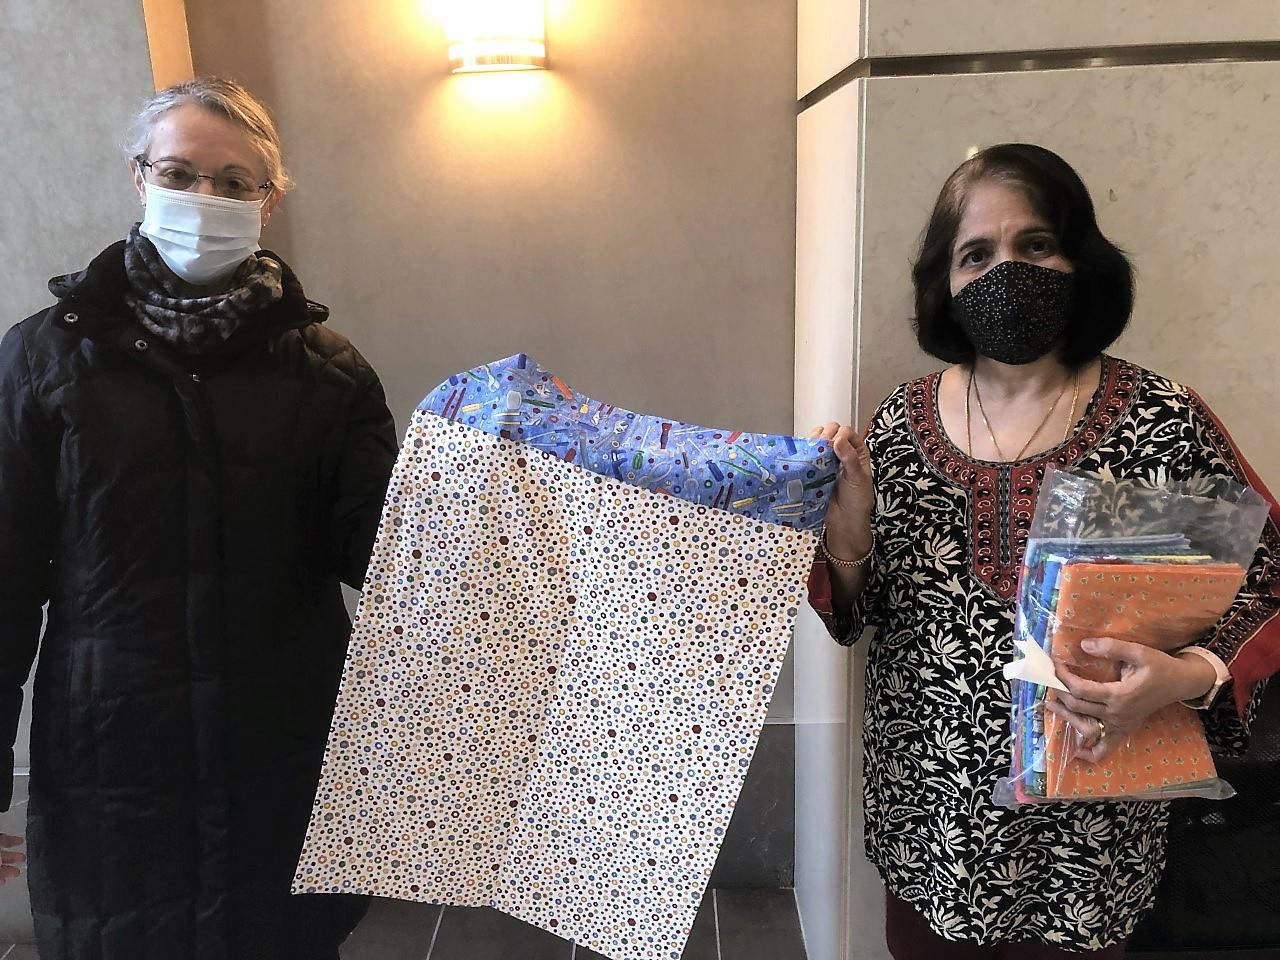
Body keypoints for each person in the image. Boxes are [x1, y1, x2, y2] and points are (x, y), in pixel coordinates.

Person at [810, 143, 1280, 959]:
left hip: (1093, 838)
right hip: (930, 824)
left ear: (1080, 260)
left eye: (1035, 244)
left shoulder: (1162, 418)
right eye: (976, 254)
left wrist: (1186, 677)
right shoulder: (898, 424)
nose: (1007, 272)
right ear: (946, 284)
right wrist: (848, 529)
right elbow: (861, 615)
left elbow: (1267, 580)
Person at [0, 76, 398, 960]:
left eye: (232, 181)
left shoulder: (329, 373)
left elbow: (388, 559)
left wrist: (484, 473)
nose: (202, 197)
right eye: (179, 173)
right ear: (140, 178)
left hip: (282, 746)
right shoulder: (44, 359)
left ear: (269, 199)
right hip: (112, 758)